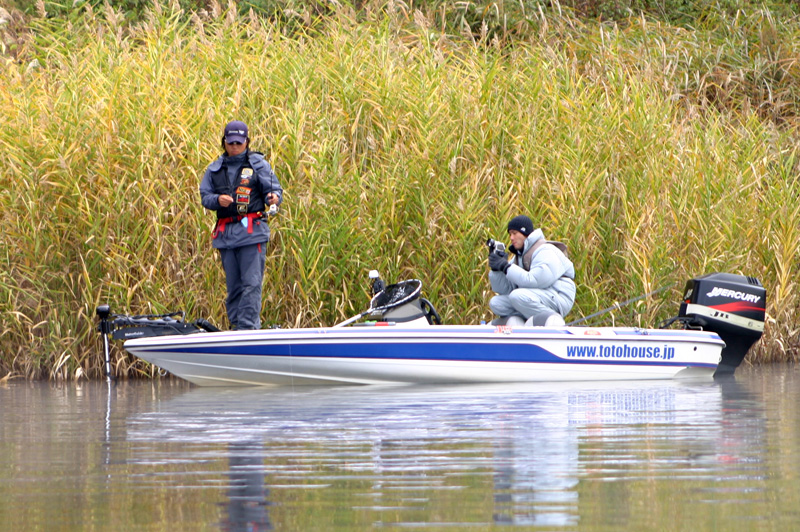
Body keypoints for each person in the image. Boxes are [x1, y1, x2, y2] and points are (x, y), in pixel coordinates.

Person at [199, 120, 283, 330]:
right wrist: (218, 200)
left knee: (252, 284)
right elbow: (205, 197)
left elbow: (274, 191)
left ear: (247, 141)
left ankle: (247, 328)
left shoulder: (258, 165)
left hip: (251, 232)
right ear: (224, 142)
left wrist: (274, 197)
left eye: (239, 142)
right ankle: (237, 326)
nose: (235, 146)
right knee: (234, 286)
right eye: (231, 142)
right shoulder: (214, 169)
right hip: (226, 235)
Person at [487, 215, 575, 326]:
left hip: (558, 295)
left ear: (525, 232)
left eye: (514, 233)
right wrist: (497, 270)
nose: (511, 238)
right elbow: (505, 290)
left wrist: (506, 267)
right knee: (496, 303)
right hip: (536, 295)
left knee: (517, 296)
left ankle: (553, 321)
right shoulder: (518, 258)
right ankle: (523, 323)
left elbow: (535, 280)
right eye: (510, 234)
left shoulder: (546, 250)